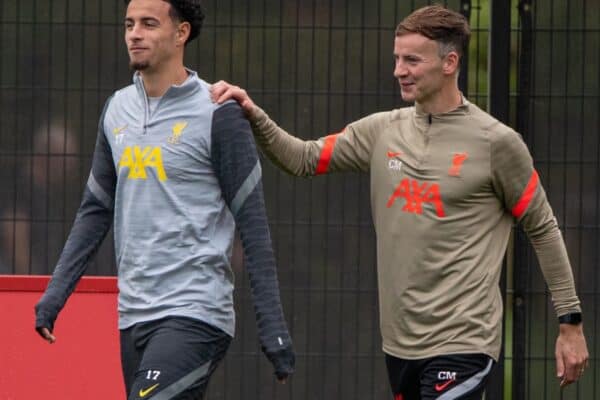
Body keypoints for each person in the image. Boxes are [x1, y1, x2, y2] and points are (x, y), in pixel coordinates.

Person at [211, 5, 588, 399]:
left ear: (450, 63)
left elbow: (542, 227)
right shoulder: (382, 131)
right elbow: (304, 158)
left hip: (465, 341)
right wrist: (252, 113)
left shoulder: (497, 143)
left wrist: (570, 322)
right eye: (396, 59)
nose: (399, 70)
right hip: (400, 348)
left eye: (412, 60)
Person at [34, 0, 294, 398]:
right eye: (129, 24)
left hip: (195, 312)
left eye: (149, 24)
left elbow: (254, 226)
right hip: (133, 315)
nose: (134, 34)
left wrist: (273, 327)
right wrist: (54, 297)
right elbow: (95, 211)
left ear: (181, 32)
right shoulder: (116, 109)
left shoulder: (218, 111)